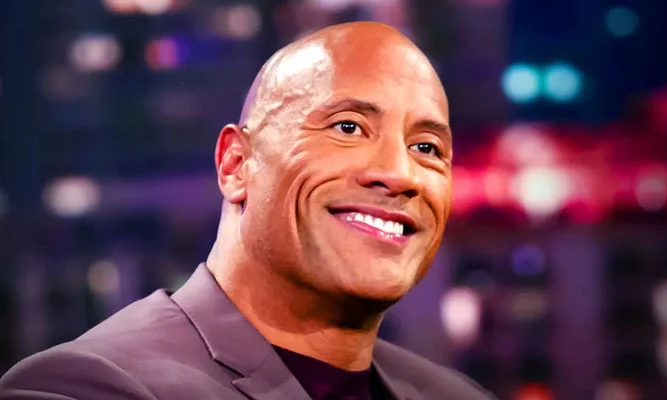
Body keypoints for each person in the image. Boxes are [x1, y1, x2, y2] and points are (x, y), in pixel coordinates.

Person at [0, 22, 495, 400]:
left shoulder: (457, 394)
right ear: (236, 164)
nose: (401, 174)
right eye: (347, 127)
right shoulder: (87, 387)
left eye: (427, 148)